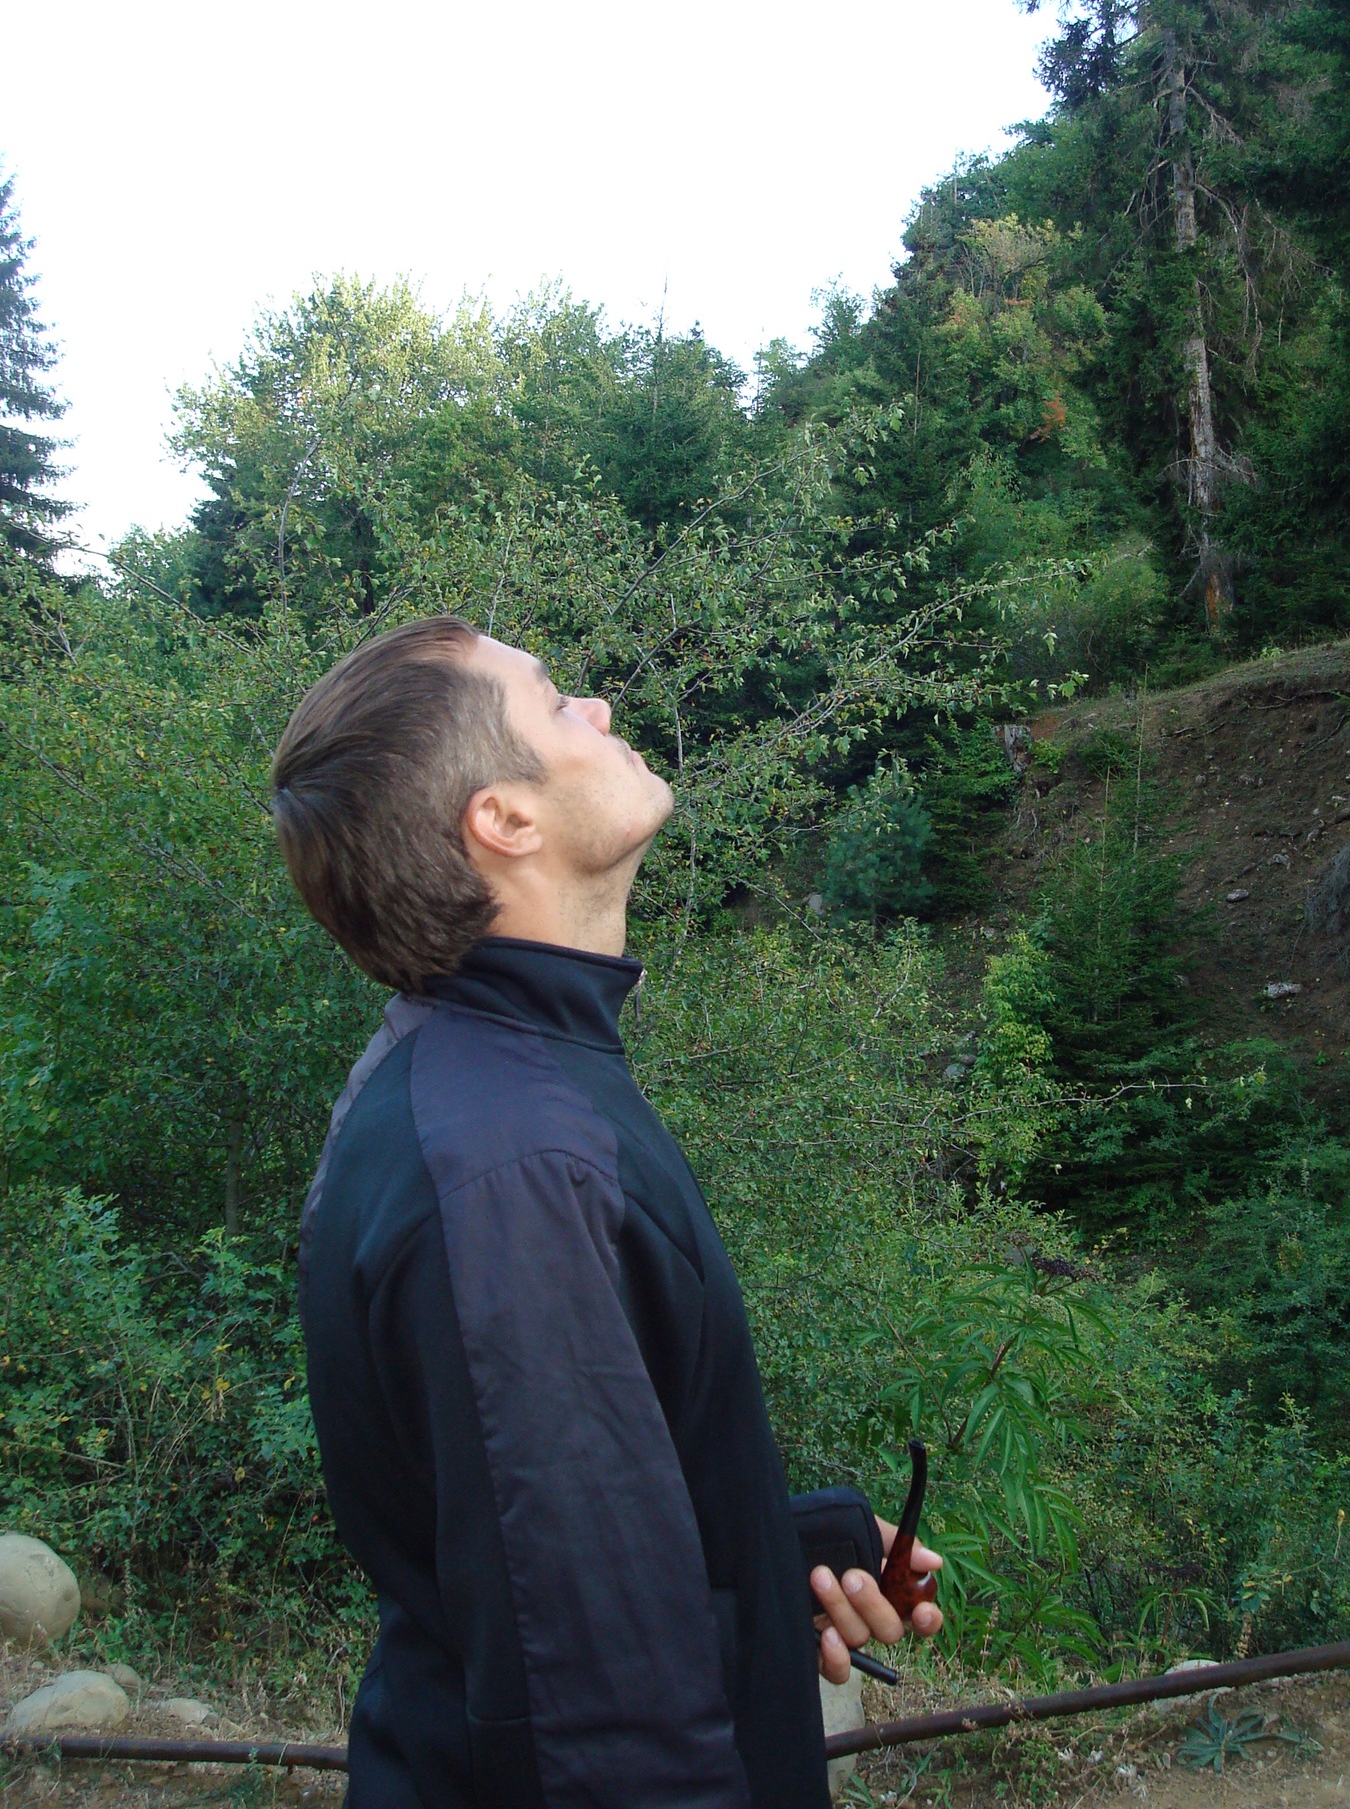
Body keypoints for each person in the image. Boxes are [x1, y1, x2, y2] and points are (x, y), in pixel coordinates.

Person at [272, 616, 942, 1809]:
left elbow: (533, 1548)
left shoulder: (486, 1077)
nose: (601, 710)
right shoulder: (515, 1165)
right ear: (505, 819)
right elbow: (595, 1724)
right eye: (554, 701)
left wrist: (759, 1567)